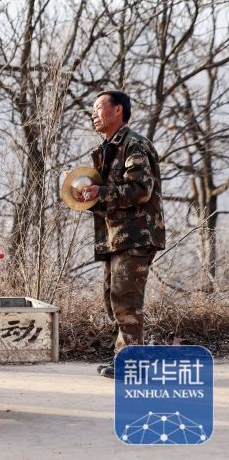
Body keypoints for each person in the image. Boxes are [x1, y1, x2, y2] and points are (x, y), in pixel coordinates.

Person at [78, 90, 165, 379]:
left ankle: (131, 362)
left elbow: (140, 190)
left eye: (98, 108)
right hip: (115, 236)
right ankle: (125, 357)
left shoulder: (134, 145)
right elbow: (109, 196)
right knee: (112, 299)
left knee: (125, 299)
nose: (93, 113)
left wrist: (100, 193)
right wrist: (88, 197)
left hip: (136, 236)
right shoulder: (108, 148)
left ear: (118, 111)